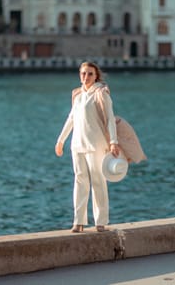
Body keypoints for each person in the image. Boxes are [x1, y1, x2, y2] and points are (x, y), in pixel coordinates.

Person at [55, 61, 120, 233]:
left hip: (96, 144)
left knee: (98, 181)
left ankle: (100, 221)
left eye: (90, 74)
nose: (86, 77)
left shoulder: (101, 93)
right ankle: (79, 221)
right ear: (79, 74)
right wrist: (61, 140)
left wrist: (114, 142)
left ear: (96, 75)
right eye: (83, 73)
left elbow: (110, 119)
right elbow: (71, 119)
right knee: (80, 181)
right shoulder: (77, 95)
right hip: (77, 145)